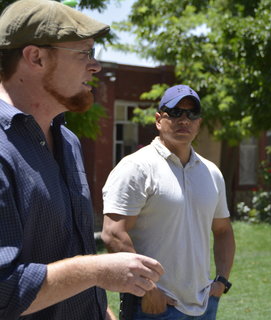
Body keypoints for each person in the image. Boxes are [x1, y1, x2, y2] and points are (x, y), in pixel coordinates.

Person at [0, 1, 166, 319]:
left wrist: (100, 309)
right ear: (36, 57)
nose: (96, 66)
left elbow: (70, 249)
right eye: (85, 53)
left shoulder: (68, 142)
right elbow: (4, 291)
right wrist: (96, 271)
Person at [101, 84, 235, 320]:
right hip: (154, 306)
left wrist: (221, 281)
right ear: (158, 120)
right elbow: (113, 234)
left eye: (191, 114)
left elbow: (223, 231)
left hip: (204, 304)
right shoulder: (136, 168)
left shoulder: (211, 172)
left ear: (199, 123)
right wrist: (148, 289)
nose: (184, 120)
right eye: (175, 113)